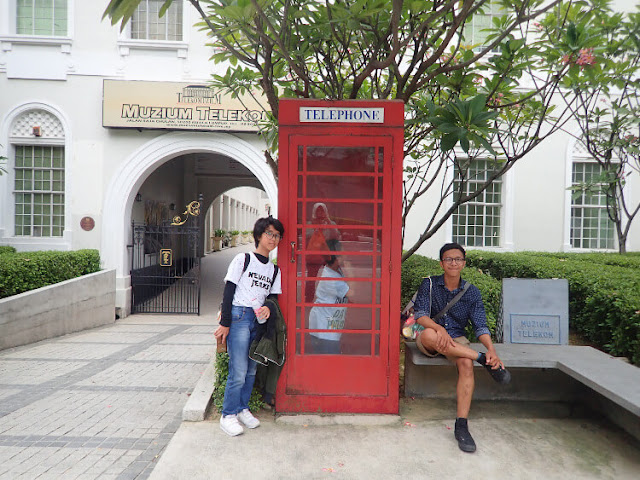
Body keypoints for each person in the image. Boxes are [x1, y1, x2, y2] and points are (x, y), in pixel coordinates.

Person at [413, 242, 511, 453]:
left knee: (466, 363)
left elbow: (480, 325)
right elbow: (420, 315)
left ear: (464, 263)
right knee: (430, 334)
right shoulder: (429, 284)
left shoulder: (471, 292)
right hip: (432, 334)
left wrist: (491, 349)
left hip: (457, 340)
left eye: (458, 259)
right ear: (441, 264)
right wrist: (439, 328)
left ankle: (461, 425)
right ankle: (480, 357)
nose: (453, 263)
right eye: (448, 259)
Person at [214, 216, 284, 437]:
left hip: (258, 321)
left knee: (252, 368)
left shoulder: (274, 270)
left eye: (277, 235)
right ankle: (228, 415)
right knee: (239, 369)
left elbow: (272, 297)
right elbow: (228, 291)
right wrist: (225, 323)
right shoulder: (243, 259)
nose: (273, 239)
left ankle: (243, 408)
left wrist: (268, 309)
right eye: (269, 234)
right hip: (239, 316)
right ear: (259, 236)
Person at [308, 255, 353, 354]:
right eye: (342, 255)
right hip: (324, 328)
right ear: (336, 258)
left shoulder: (336, 271)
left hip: (327, 325)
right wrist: (350, 271)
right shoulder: (332, 279)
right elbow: (353, 294)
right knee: (329, 361)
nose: (345, 257)